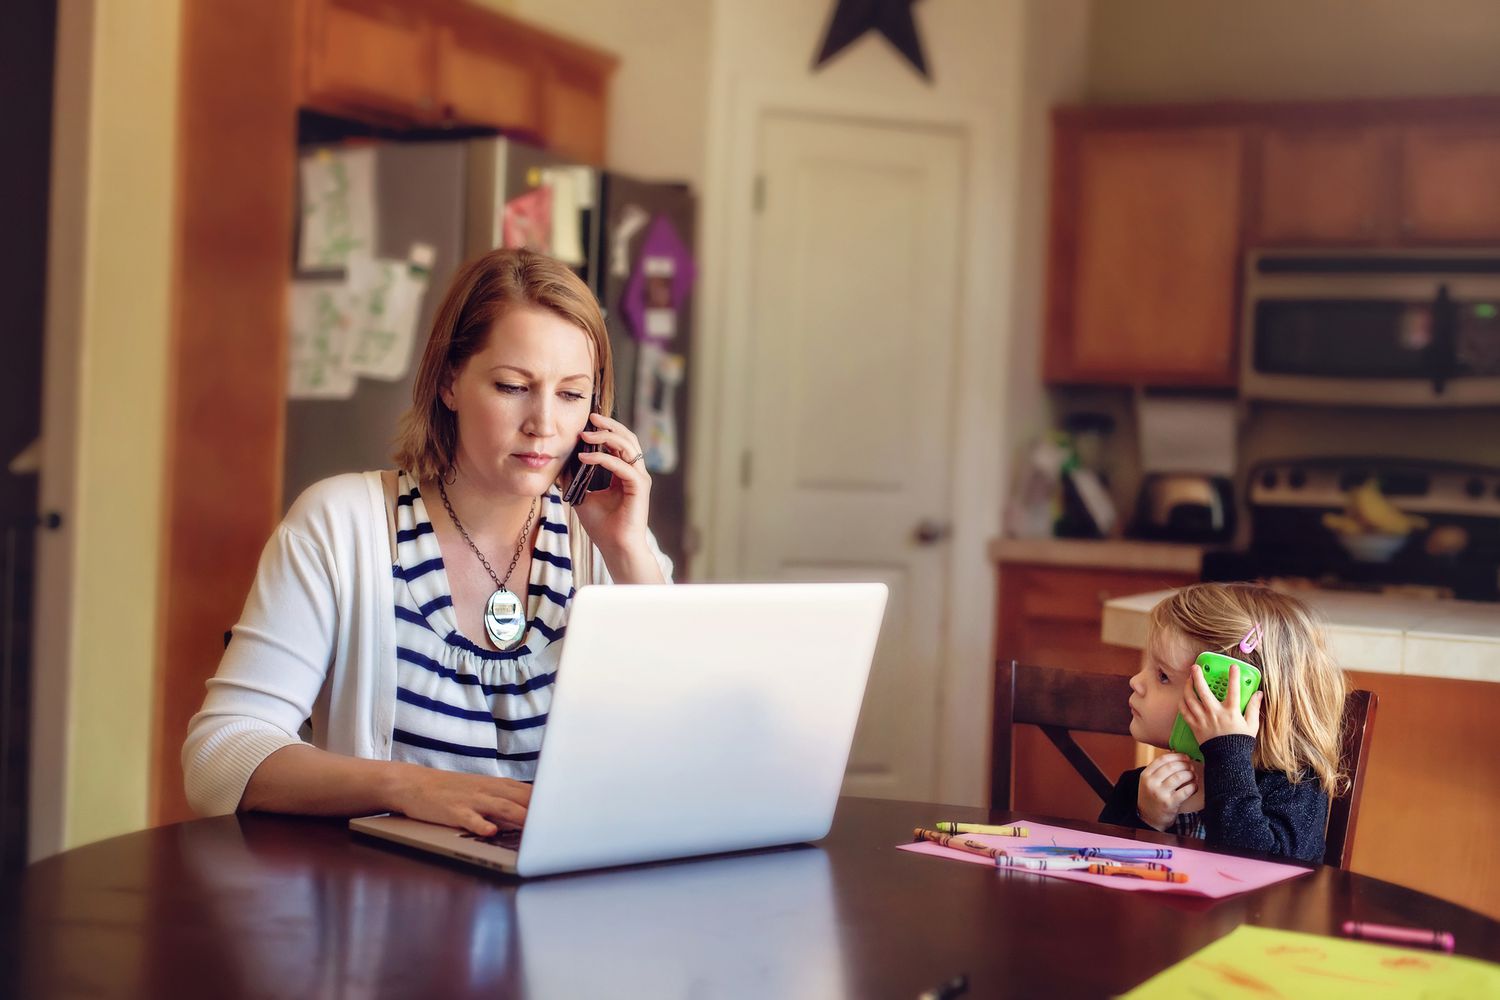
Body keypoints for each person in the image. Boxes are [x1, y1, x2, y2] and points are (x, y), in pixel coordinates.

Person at [183, 248, 671, 838]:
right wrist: (407, 787)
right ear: (448, 383)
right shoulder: (341, 526)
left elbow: (686, 753)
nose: (544, 423)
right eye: (513, 386)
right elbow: (218, 757)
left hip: (569, 908)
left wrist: (627, 554)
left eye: (571, 395)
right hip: (391, 910)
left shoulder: (605, 546)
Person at [1098, 582, 1347, 862]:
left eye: (1163, 675)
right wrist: (1146, 820)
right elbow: (1106, 872)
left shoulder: (1294, 793)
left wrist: (1227, 753)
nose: (1136, 682)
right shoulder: (1142, 788)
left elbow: (1262, 874)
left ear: (1229, 698)